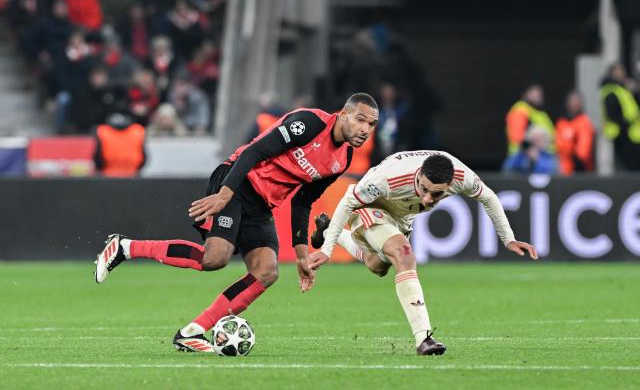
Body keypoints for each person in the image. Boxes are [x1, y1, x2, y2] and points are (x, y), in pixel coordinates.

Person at [94, 93, 379, 352]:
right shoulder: (309, 123)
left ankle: (191, 332)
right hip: (237, 182)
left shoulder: (341, 161)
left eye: (372, 125)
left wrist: (303, 254)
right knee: (215, 258)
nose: (365, 130)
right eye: (360, 120)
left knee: (267, 272)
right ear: (343, 114)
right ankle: (125, 248)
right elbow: (253, 152)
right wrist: (224, 194)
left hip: (263, 203)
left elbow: (302, 201)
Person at [308, 151, 538, 355]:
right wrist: (326, 250)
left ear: (449, 185)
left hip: (403, 216)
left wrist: (508, 239)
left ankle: (330, 230)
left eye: (436, 194)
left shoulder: (462, 176)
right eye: (424, 188)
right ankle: (423, 339)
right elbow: (347, 202)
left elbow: (488, 197)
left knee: (377, 266)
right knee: (405, 255)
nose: (428, 199)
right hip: (372, 206)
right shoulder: (387, 178)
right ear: (418, 175)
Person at [599, 63, 640, 170]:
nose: (623, 74)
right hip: (622, 133)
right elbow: (613, 114)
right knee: (628, 166)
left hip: (632, 134)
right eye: (619, 71)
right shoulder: (611, 91)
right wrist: (629, 122)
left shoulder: (623, 89)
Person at [505, 84, 555, 156]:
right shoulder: (521, 109)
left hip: (545, 158)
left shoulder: (541, 114)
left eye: (540, 93)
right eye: (535, 92)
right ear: (526, 94)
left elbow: (552, 137)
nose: (539, 95)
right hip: (523, 158)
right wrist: (529, 149)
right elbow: (516, 135)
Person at [94, 113, 146, 177]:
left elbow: (97, 158)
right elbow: (144, 158)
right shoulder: (138, 131)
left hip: (108, 176)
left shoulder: (102, 131)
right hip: (132, 175)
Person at [555, 91, 595, 175]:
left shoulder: (584, 122)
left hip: (578, 169)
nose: (574, 105)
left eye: (577, 102)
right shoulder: (561, 122)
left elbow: (584, 149)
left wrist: (576, 164)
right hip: (560, 168)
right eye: (572, 102)